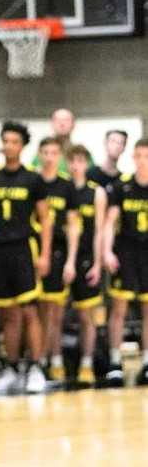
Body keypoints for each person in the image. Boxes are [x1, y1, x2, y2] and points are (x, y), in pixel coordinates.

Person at [0, 121, 52, 395]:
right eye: (5, 141)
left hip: (24, 250)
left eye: (14, 141)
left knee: (30, 311)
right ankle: (13, 367)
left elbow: (45, 219)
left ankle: (37, 367)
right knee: (9, 315)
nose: (9, 146)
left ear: (22, 145)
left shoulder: (33, 178)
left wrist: (45, 255)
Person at [103, 137, 148, 388]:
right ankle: (115, 362)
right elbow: (110, 221)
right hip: (126, 252)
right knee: (118, 309)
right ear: (133, 158)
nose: (143, 161)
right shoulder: (122, 187)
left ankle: (146, 362)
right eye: (139, 156)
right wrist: (108, 251)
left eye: (147, 156)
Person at [34, 137, 80, 384]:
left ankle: (56, 359)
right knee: (40, 312)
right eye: (46, 152)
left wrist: (72, 261)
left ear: (60, 156)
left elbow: (73, 225)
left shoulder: (67, 186)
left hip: (61, 253)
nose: (50, 156)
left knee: (56, 313)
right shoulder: (34, 181)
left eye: (54, 152)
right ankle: (39, 361)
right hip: (36, 252)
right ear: (39, 155)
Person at [65, 144, 106, 387]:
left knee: (86, 315)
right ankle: (56, 363)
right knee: (56, 313)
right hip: (64, 257)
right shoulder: (62, 189)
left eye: (80, 160)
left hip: (88, 258)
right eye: (72, 160)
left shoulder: (96, 192)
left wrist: (98, 263)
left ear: (87, 163)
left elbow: (100, 230)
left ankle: (88, 363)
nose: (75, 165)